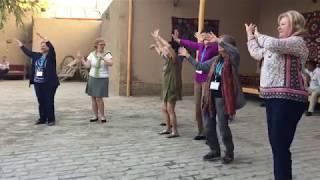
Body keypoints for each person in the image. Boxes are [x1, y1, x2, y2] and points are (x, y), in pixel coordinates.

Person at [245, 10, 309, 180]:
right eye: (279, 24)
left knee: (280, 145)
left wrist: (257, 33)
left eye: (283, 24)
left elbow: (270, 43)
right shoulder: (276, 45)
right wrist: (250, 36)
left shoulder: (297, 42)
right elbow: (256, 52)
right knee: (276, 144)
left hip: (288, 99)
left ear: (294, 25)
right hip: (273, 98)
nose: (278, 27)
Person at [179, 33, 245, 164]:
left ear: (228, 46)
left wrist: (219, 40)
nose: (219, 47)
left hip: (223, 99)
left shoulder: (233, 60)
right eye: (219, 45)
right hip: (210, 97)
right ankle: (214, 150)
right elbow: (201, 67)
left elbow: (235, 52)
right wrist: (188, 56)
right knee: (208, 126)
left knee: (223, 127)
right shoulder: (216, 59)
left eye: (222, 44)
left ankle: (229, 152)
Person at [172, 28, 219, 140]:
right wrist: (177, 39)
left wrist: (216, 40)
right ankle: (201, 131)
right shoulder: (201, 46)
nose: (202, 38)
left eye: (204, 36)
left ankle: (209, 132)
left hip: (207, 80)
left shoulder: (215, 47)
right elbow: (190, 44)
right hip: (197, 79)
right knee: (197, 106)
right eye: (201, 36)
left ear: (210, 36)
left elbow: (225, 45)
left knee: (205, 106)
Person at [16, 33, 59, 126]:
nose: (43, 46)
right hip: (38, 83)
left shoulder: (51, 56)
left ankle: (51, 119)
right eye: (41, 45)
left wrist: (46, 39)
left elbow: (52, 48)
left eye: (45, 45)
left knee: (49, 100)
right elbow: (28, 53)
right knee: (41, 101)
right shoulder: (37, 55)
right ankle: (42, 118)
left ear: (48, 47)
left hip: (49, 83)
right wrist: (21, 46)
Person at [150, 29, 183, 138]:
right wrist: (156, 42)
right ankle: (168, 128)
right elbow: (161, 51)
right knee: (164, 109)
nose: (163, 50)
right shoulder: (167, 58)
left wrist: (159, 37)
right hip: (166, 86)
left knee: (170, 109)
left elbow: (167, 46)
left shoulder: (175, 58)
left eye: (166, 49)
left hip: (172, 86)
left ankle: (175, 131)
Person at [78, 38, 113, 123]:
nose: (102, 46)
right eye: (101, 44)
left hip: (102, 78)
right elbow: (87, 66)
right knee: (93, 97)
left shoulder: (107, 54)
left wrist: (103, 58)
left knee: (99, 98)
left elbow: (111, 63)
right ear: (96, 45)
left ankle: (102, 116)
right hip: (92, 77)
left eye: (103, 44)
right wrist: (82, 59)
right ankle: (95, 115)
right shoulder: (92, 54)